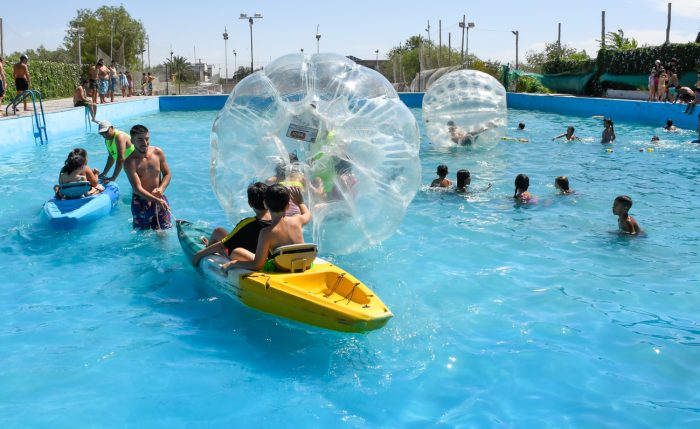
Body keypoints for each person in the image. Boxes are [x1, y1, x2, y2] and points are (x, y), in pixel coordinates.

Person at [221, 184, 312, 272]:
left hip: (282, 268)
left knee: (237, 252)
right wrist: (300, 202)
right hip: (304, 263)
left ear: (265, 204)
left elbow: (257, 265)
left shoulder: (266, 232)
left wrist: (234, 263)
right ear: (288, 206)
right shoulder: (297, 220)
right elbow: (307, 215)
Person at [192, 182, 272, 267]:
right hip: (265, 256)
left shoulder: (248, 223)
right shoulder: (277, 220)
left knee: (219, 234)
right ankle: (209, 246)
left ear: (249, 203)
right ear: (268, 201)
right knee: (219, 231)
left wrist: (199, 254)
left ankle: (209, 248)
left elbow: (223, 244)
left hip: (250, 259)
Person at [124, 124, 172, 230]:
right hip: (140, 202)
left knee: (164, 232)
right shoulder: (130, 162)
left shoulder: (158, 153)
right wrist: (156, 200)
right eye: (140, 139)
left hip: (159, 197)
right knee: (143, 235)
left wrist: (161, 189)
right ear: (132, 140)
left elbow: (167, 174)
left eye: (147, 139)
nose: (145, 143)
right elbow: (137, 188)